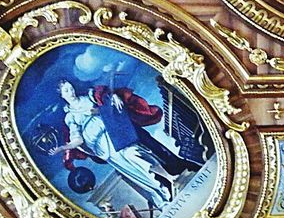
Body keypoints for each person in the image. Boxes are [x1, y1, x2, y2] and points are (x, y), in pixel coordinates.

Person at [50, 80, 196, 210]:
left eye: (70, 88)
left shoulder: (89, 96)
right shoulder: (70, 117)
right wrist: (63, 148)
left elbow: (106, 99)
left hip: (116, 134)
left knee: (137, 155)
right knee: (136, 171)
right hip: (104, 149)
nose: (71, 91)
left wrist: (112, 97)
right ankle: (162, 191)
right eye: (66, 90)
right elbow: (78, 140)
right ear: (62, 95)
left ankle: (171, 177)